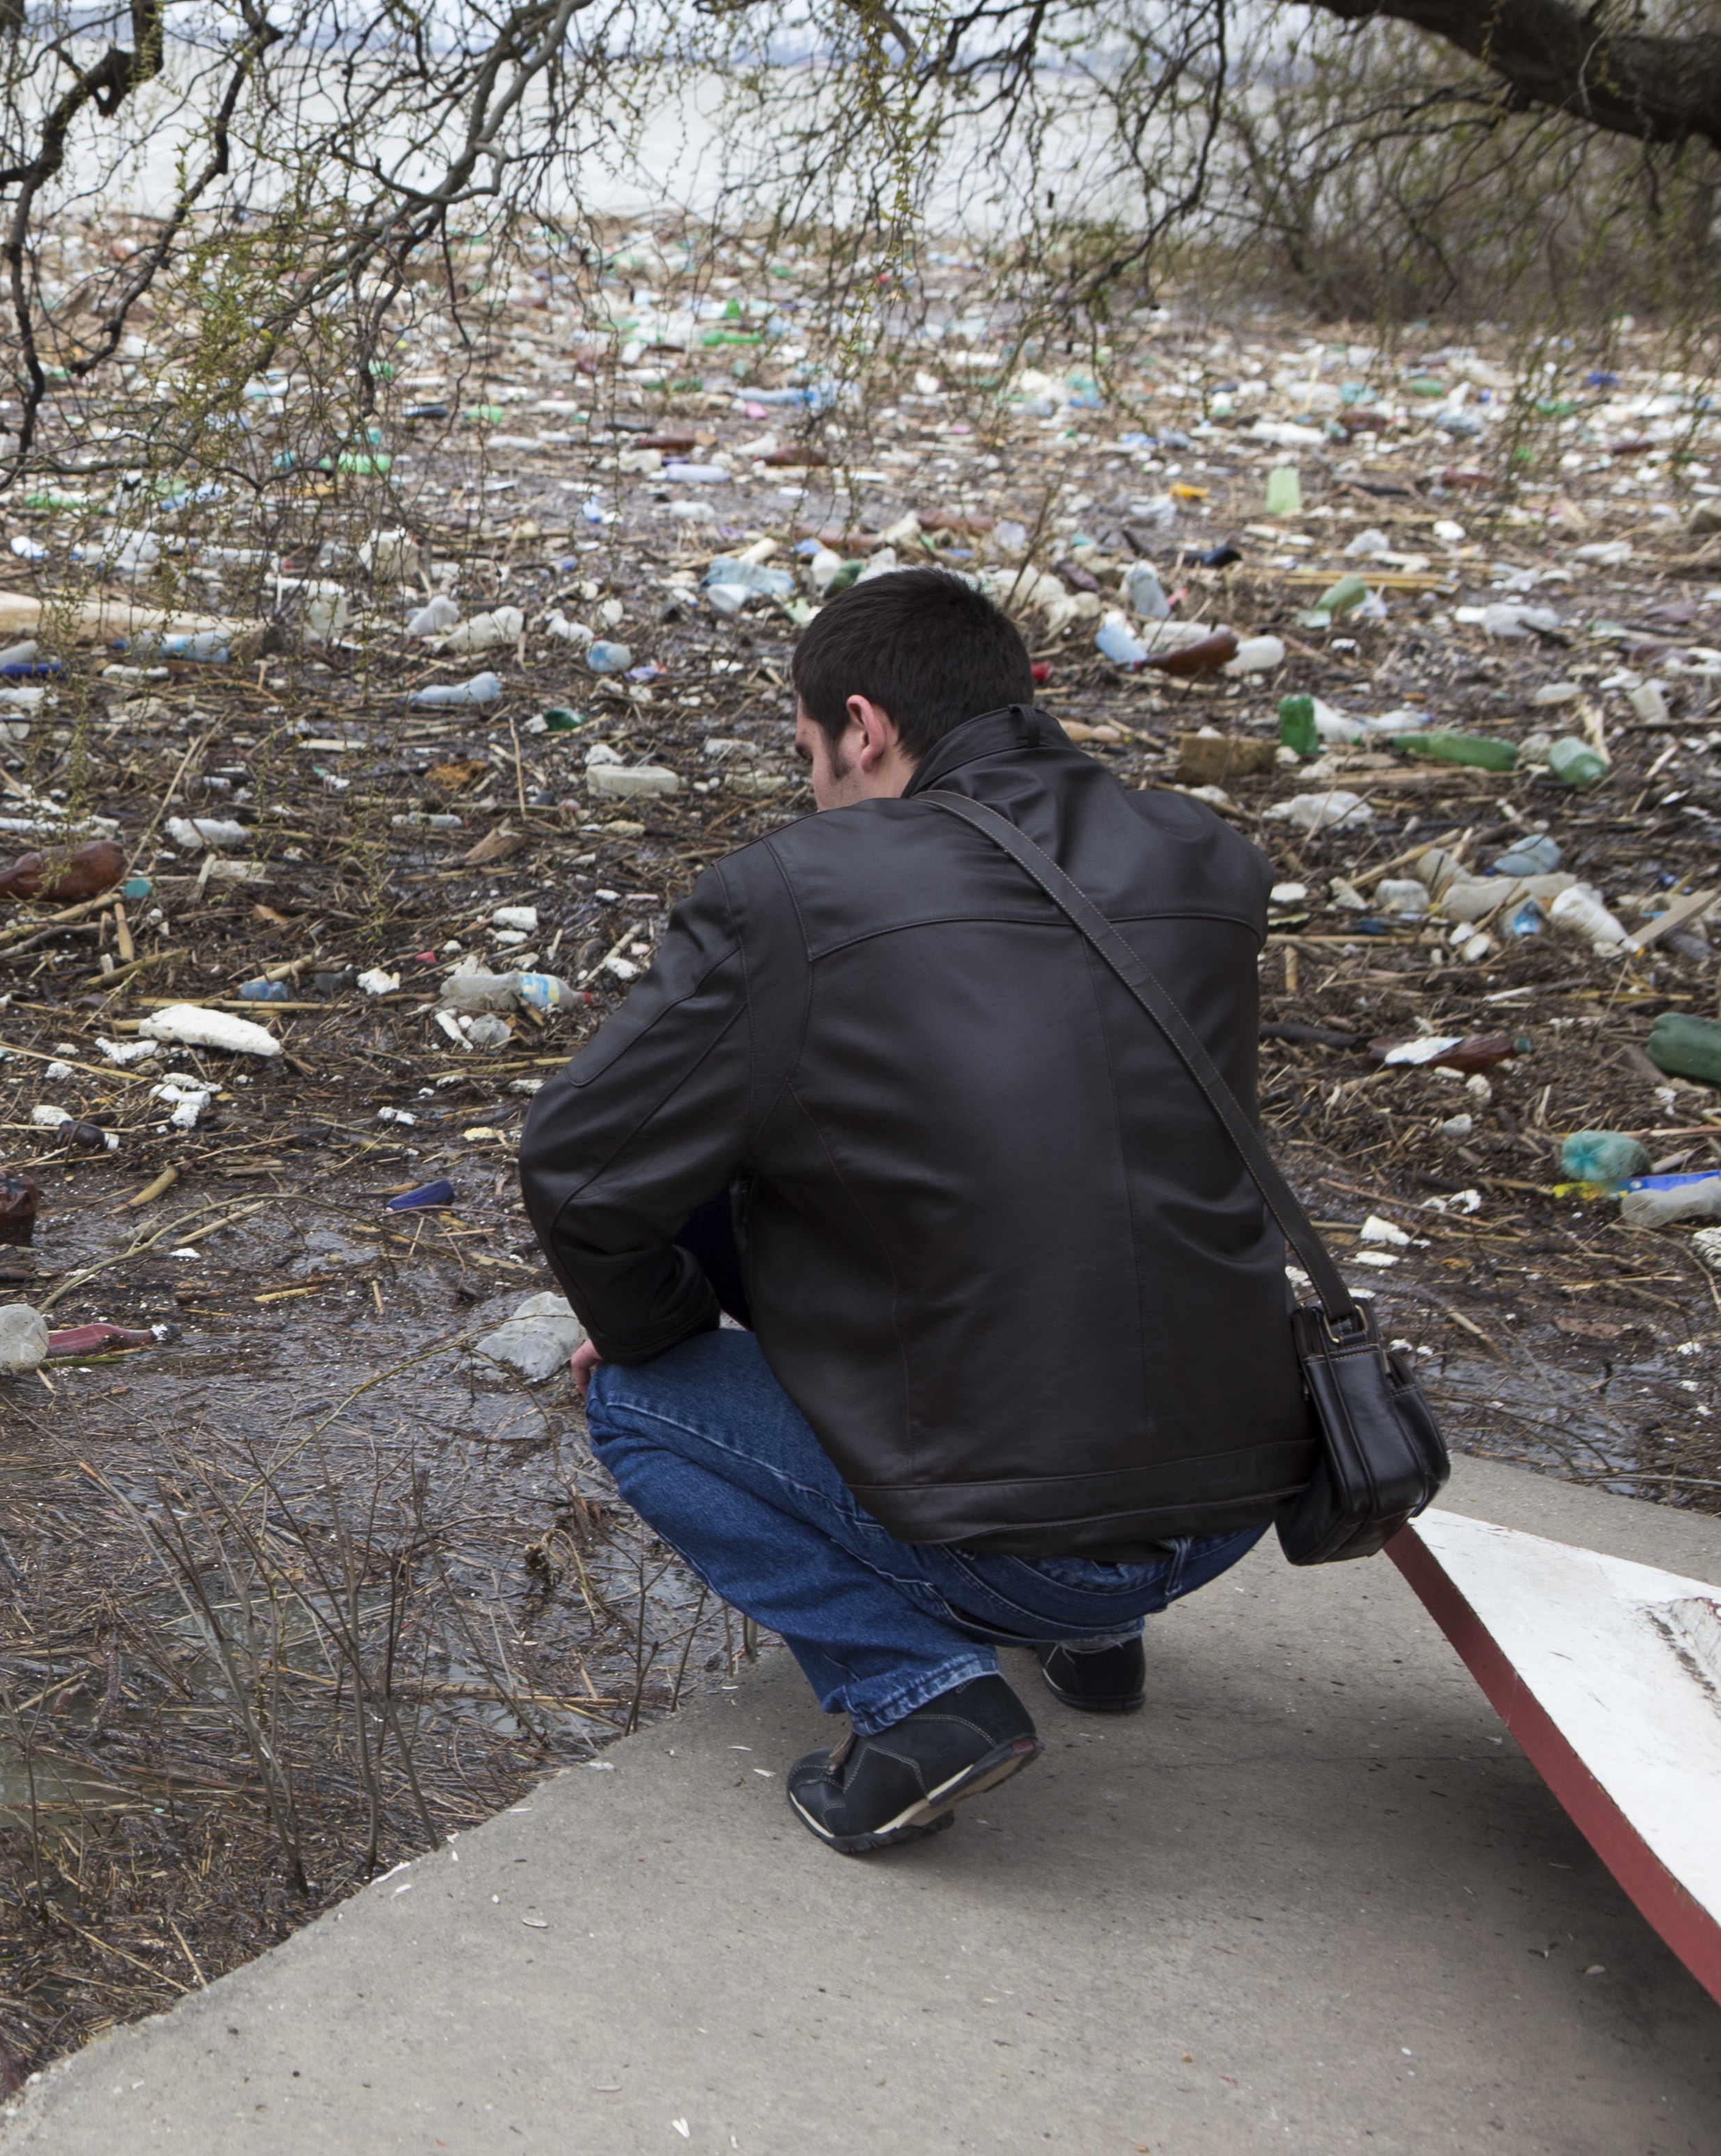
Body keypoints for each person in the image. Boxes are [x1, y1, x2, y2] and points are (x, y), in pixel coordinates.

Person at [516, 567, 1313, 1853]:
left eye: (811, 753)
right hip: (1234, 1505)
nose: (814, 788)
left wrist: (666, 1329)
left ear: (864, 728)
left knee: (639, 1398)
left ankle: (918, 1696)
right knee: (1073, 1198)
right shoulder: (1206, 856)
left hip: (1020, 1540)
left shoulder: (804, 887)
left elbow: (575, 1164)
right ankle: (1103, 1642)